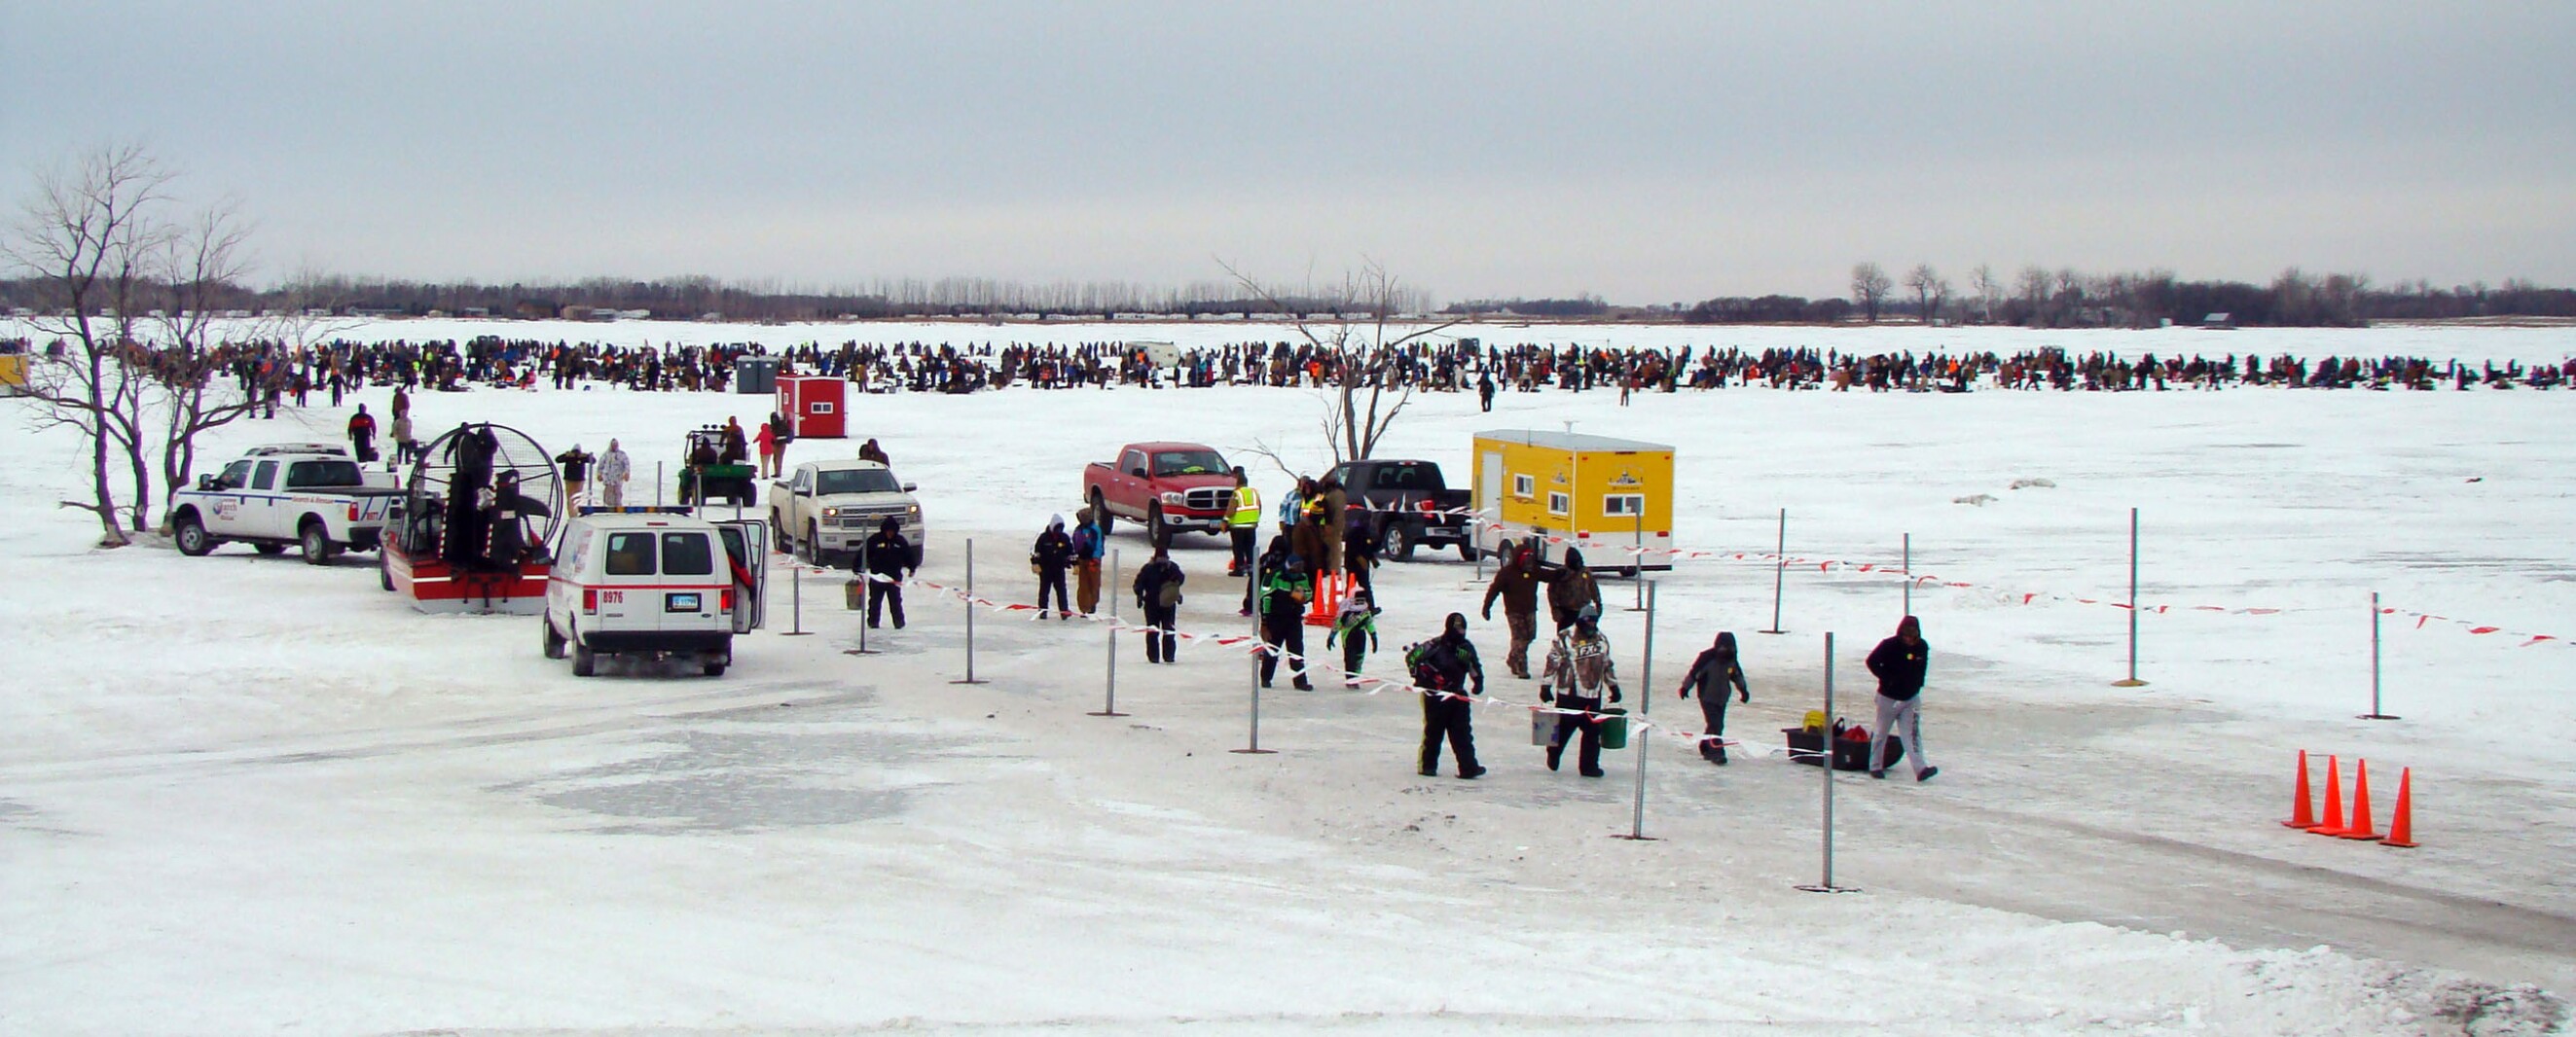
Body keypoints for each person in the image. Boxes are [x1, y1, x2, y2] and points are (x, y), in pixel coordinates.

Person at [1541, 603, 1621, 777]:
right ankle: (1553, 753)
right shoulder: (1565, 638)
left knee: (1593, 732)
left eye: (1594, 622)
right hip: (1569, 694)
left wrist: (1613, 686)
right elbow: (1552, 662)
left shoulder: (1601, 639)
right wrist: (1546, 685)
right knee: (1564, 729)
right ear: (1581, 621)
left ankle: (1589, 766)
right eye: (1589, 622)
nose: (1592, 625)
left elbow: (1607, 664)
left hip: (1593, 694)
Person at [1409, 612, 1487, 778]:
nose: (1460, 632)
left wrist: (1478, 681)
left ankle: (1468, 767)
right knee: (1433, 732)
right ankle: (1428, 766)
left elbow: (1474, 665)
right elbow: (1412, 658)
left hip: (1458, 695)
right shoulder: (1434, 645)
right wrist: (1422, 678)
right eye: (1457, 629)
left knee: (1462, 733)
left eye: (1463, 629)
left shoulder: (1465, 648)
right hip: (1435, 695)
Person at [1866, 616, 1938, 781]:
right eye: (1906, 636)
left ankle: (1921, 770)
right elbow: (1871, 661)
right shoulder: (1889, 645)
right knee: (1881, 732)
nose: (1909, 640)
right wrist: (1887, 678)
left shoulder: (1922, 647)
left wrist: (1918, 684)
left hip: (1910, 698)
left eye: (1912, 636)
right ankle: (1875, 766)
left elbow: (1922, 667)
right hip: (1888, 698)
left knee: (1912, 734)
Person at [1677, 631, 1750, 765]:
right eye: (1724, 648)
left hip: (1722, 698)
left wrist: (1743, 691)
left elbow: (1737, 676)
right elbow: (1694, 673)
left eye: (1730, 648)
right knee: (1715, 724)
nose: (1727, 651)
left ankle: (1705, 745)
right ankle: (1716, 752)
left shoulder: (1731, 660)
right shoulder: (1707, 658)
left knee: (1715, 725)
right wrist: (1685, 688)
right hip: (1707, 697)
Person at [1481, 538, 1543, 679]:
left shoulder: (1533, 570)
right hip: (1514, 611)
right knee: (1520, 638)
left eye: (1530, 558)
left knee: (1530, 636)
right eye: (1526, 558)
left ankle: (1512, 658)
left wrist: (1565, 573)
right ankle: (1521, 667)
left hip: (1530, 609)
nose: (1529, 561)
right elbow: (1493, 590)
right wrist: (1487, 607)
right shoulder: (1506, 573)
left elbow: (1549, 576)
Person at [1256, 537, 1313, 690]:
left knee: (1296, 651)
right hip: (1276, 619)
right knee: (1272, 650)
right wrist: (1265, 623)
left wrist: (1303, 598)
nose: (1299, 572)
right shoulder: (1275, 576)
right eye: (1296, 568)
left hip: (1294, 619)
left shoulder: (1303, 577)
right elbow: (1265, 597)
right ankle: (1266, 678)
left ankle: (1300, 681)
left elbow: (1308, 592)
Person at [859, 516, 915, 629]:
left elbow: (908, 555)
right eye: (888, 531)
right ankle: (873, 623)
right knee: (875, 602)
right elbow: (863, 554)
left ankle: (899, 622)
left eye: (892, 532)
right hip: (877, 577)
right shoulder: (875, 540)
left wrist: (912, 567)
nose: (890, 534)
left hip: (893, 578)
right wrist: (857, 567)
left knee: (895, 602)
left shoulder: (900, 541)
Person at [1132, 546, 1184, 663]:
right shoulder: (1148, 568)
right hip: (1152, 604)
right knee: (1152, 631)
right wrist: (1139, 596)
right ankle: (1153, 657)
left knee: (1169, 630)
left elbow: (1180, 579)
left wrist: (1172, 571)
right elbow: (1138, 583)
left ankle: (1169, 656)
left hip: (1168, 604)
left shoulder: (1171, 567)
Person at [1325, 588, 1377, 689]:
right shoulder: (1345, 612)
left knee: (1359, 657)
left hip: (1360, 635)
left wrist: (1374, 637)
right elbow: (1337, 624)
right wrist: (1331, 637)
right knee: (1350, 658)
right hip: (1348, 635)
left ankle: (1355, 678)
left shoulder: (1365, 612)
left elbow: (1369, 624)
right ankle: (1350, 678)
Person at [1544, 547, 1603, 632]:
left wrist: (1598, 602)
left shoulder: (1585, 572)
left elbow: (1593, 587)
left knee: (1585, 635)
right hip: (1566, 610)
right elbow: (1552, 592)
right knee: (1565, 635)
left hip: (1584, 610)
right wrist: (1555, 608)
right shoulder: (1561, 573)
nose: (1578, 564)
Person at [1032, 515, 1075, 619]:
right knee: (1044, 591)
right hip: (1045, 569)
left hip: (1059, 569)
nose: (1059, 531)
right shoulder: (1043, 538)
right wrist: (1035, 563)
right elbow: (1036, 552)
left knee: (1061, 591)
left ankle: (1064, 611)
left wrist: (1075, 564)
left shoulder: (1064, 538)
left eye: (1061, 528)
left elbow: (1071, 552)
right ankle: (1043, 611)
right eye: (1057, 528)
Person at [1226, 467, 1261, 577]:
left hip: (1237, 526)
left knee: (1238, 548)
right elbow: (1259, 508)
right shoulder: (1254, 492)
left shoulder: (1237, 494)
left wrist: (1225, 521)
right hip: (1251, 525)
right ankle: (1251, 568)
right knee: (1250, 548)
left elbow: (1231, 511)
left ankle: (1239, 568)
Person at [1072, 508, 1106, 615]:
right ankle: (1084, 607)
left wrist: (1095, 558)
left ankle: (1092, 605)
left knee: (1094, 583)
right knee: (1083, 585)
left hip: (1092, 560)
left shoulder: (1095, 529)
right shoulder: (1079, 530)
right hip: (1082, 559)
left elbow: (1099, 544)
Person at [1342, 518, 1381, 602]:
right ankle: (1348, 605)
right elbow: (1352, 549)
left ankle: (1370, 606)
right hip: (1353, 564)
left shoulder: (1366, 532)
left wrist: (1372, 558)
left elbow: (1367, 548)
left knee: (1365, 586)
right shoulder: (1353, 533)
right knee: (1351, 586)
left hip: (1363, 565)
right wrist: (1360, 559)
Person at [596, 439, 631, 508]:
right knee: (608, 495)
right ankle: (607, 508)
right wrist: (599, 474)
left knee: (617, 494)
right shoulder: (605, 455)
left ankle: (618, 508)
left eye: (616, 445)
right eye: (613, 445)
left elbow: (627, 465)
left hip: (618, 478)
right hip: (608, 479)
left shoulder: (622, 455)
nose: (614, 446)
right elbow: (600, 466)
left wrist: (626, 473)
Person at [754, 414, 780, 479]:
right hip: (769, 450)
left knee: (763, 463)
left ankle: (764, 474)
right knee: (767, 462)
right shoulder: (770, 433)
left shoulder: (761, 433)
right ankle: (765, 474)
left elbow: (756, 439)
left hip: (762, 450)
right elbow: (774, 439)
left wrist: (755, 441)